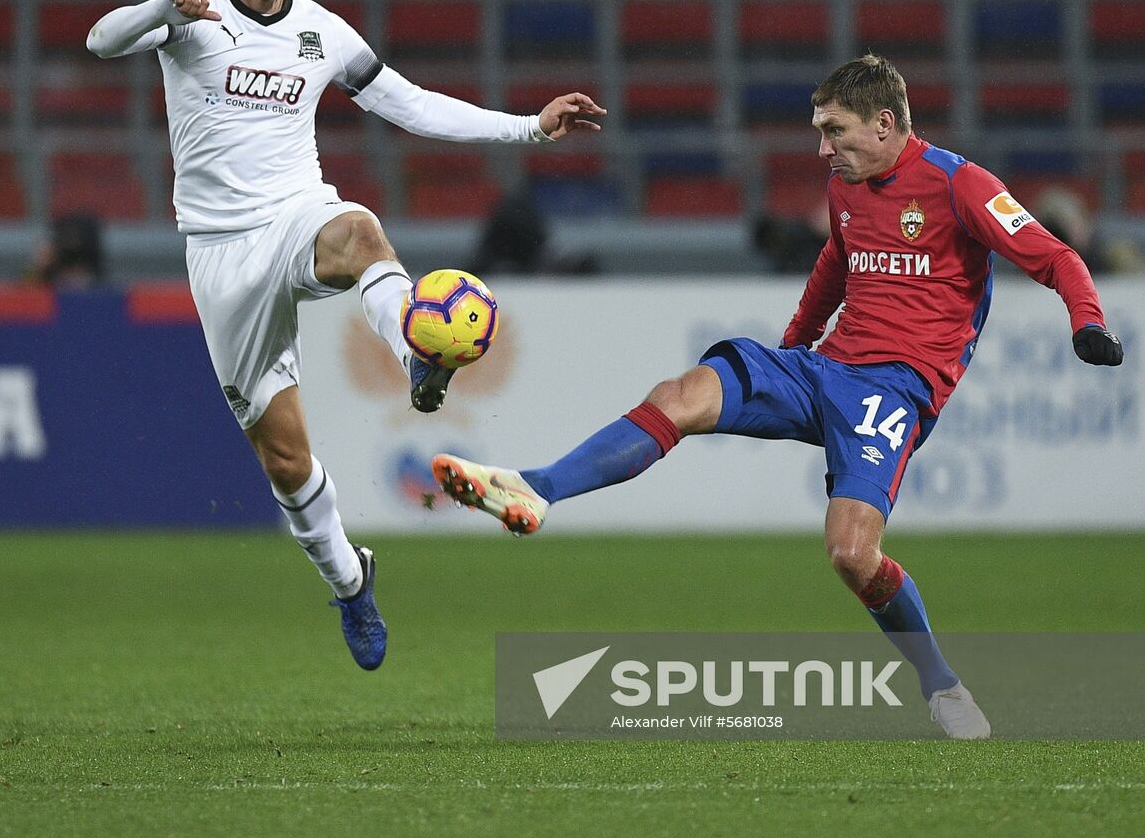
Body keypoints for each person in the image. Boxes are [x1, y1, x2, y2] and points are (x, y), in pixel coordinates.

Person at [432, 54, 1123, 736]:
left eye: (835, 131)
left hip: (893, 391)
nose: (823, 149)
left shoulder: (958, 184)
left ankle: (939, 684)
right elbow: (837, 263)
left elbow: (1055, 255)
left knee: (851, 555)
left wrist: (1086, 321)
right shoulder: (846, 185)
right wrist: (796, 341)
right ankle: (537, 489)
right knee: (682, 392)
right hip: (822, 368)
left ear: (883, 125)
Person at [85, 0, 604, 671]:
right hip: (221, 255)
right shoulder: (192, 15)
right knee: (285, 462)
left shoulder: (321, 31)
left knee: (359, 227)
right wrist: (162, 6)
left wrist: (530, 128)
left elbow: (412, 104)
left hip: (299, 215)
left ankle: (415, 357)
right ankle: (349, 578)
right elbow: (100, 41)